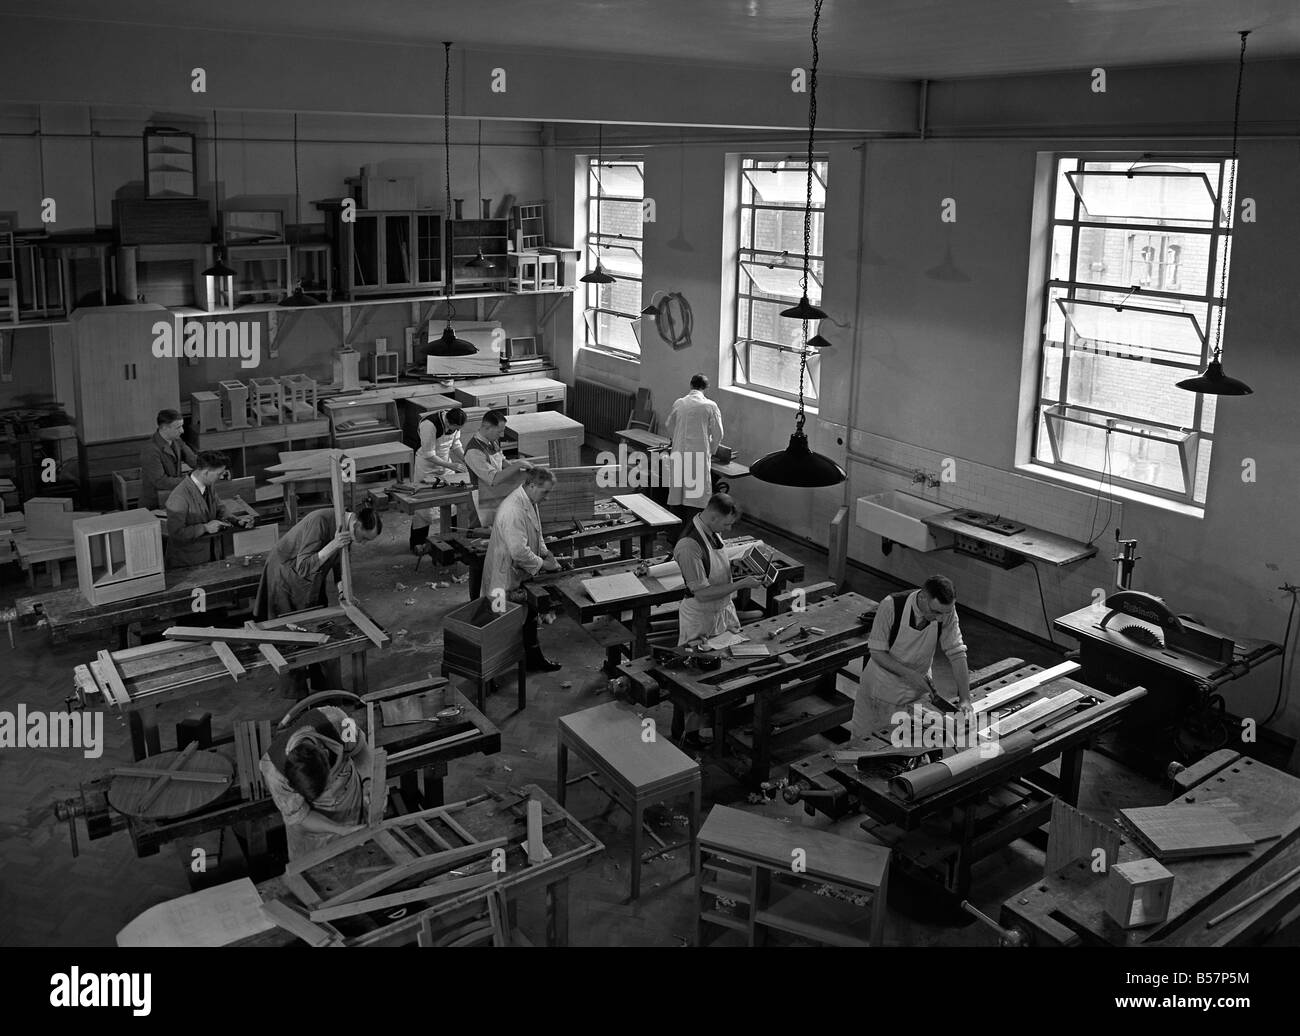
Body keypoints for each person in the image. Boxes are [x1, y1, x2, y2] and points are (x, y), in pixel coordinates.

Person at [253, 502, 383, 698]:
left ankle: (327, 689)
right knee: (291, 637)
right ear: (355, 522)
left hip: (312, 578)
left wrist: (342, 591)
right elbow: (303, 566)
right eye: (364, 538)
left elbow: (341, 564)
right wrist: (333, 545)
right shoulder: (320, 521)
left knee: (322, 630)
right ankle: (299, 697)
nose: (363, 543)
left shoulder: (347, 531)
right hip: (286, 577)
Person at [671, 492, 761, 746]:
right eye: (726, 524)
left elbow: (716, 570)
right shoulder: (689, 545)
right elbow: (701, 593)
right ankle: (689, 735)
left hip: (722, 611)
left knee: (730, 669)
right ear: (712, 516)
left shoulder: (711, 531)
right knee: (697, 678)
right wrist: (742, 583)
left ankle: (720, 725)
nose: (729, 529)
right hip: (700, 617)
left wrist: (740, 568)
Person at [849, 575, 973, 740]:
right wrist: (910, 674)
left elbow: (957, 652)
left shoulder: (945, 611)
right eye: (935, 612)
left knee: (906, 747)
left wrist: (965, 698)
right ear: (922, 597)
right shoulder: (892, 605)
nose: (941, 618)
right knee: (864, 746)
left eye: (946, 612)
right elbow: (877, 652)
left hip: (918, 692)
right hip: (881, 689)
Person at [260, 704, 373, 861]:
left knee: (357, 860)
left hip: (351, 804)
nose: (329, 792)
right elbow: (301, 816)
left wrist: (368, 783)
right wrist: (340, 830)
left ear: (325, 753)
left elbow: (361, 751)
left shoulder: (339, 720)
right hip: (311, 833)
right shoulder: (273, 771)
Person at [482, 467, 563, 672]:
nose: (547, 497)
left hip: (519, 573)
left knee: (527, 619)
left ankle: (533, 659)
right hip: (505, 578)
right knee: (501, 622)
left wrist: (545, 553)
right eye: (545, 492)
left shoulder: (529, 500)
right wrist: (543, 565)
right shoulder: (514, 510)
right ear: (532, 485)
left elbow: (537, 531)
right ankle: (492, 671)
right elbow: (519, 552)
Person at [463, 409, 533, 597]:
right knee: (480, 551)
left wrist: (521, 470)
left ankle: (499, 586)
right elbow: (493, 478)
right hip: (481, 502)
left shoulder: (492, 441)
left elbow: (502, 463)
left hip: (498, 497)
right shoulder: (473, 451)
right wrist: (519, 466)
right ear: (486, 426)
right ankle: (475, 598)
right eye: (498, 430)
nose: (501, 435)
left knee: (500, 543)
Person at [164, 451, 253, 568]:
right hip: (188, 563)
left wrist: (236, 520)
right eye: (219, 474)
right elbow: (176, 534)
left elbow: (219, 507)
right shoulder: (179, 497)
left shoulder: (208, 484)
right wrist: (205, 527)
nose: (221, 477)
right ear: (205, 472)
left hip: (211, 554)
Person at [409, 406, 469, 553]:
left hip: (445, 463)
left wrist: (467, 459)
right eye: (453, 427)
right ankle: (418, 543)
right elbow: (429, 454)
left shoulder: (456, 421)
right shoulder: (429, 424)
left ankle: (453, 539)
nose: (454, 430)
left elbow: (455, 445)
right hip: (426, 465)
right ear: (447, 421)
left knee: (454, 501)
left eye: (457, 428)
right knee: (424, 507)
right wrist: (451, 465)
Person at [665, 374, 723, 518]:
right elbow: (719, 433)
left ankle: (674, 533)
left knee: (677, 492)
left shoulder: (680, 403)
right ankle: (693, 529)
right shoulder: (710, 406)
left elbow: (669, 425)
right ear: (706, 388)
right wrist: (711, 450)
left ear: (690, 385)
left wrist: (676, 439)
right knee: (696, 495)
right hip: (698, 455)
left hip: (679, 452)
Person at [139, 409, 197, 510]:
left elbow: (193, 460)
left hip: (174, 497)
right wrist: (192, 480)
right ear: (165, 428)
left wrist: (210, 467)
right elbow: (161, 482)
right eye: (178, 427)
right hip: (155, 504)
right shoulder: (150, 450)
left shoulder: (177, 440)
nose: (182, 431)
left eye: (182, 426)